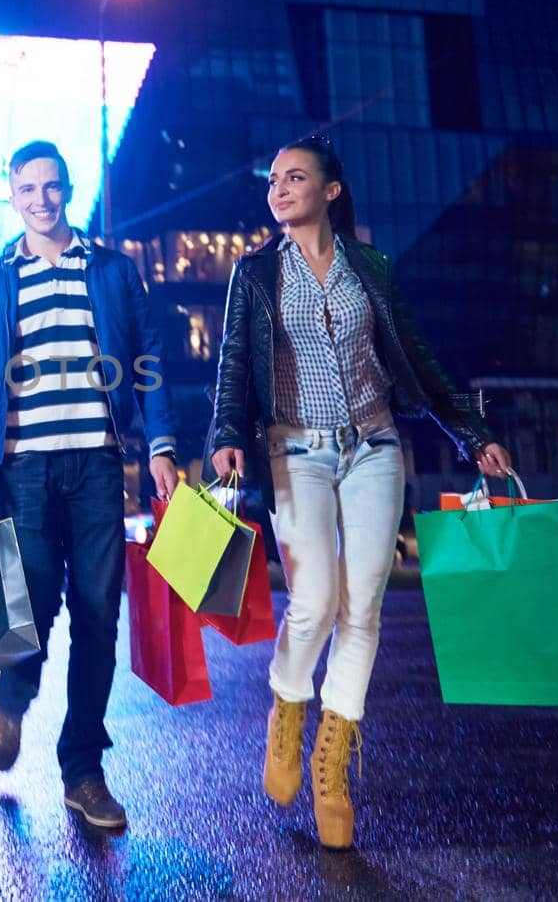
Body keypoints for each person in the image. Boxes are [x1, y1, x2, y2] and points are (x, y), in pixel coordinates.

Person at [205, 135, 513, 850]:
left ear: (331, 191)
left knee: (362, 607)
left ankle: (333, 760)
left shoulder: (369, 268)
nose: (279, 188)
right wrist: (225, 431)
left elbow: (415, 354)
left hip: (374, 448)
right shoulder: (254, 273)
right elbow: (233, 363)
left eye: (296, 177)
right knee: (313, 603)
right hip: (294, 451)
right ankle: (289, 702)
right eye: (274, 179)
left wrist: (472, 433)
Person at [0, 140, 179, 830]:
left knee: (98, 614)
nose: (42, 199)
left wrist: (162, 443)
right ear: (12, 194)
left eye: (53, 187)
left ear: (69, 189)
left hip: (96, 464)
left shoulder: (111, 270)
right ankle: (14, 697)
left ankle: (82, 769)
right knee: (31, 605)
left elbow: (148, 358)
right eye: (29, 189)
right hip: (22, 467)